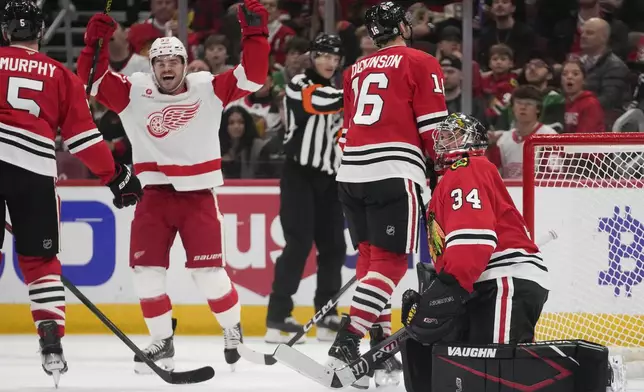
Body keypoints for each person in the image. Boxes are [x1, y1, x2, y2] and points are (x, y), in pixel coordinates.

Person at [76, 0, 269, 372]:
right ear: (151, 68)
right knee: (145, 274)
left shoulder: (207, 88)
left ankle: (232, 329)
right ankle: (162, 342)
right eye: (160, 63)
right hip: (154, 197)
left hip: (198, 197)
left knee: (209, 277)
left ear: (185, 65)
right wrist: (92, 45)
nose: (167, 68)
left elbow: (254, 76)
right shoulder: (135, 94)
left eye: (174, 62)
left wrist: (255, 34)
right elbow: (94, 82)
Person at [0, 0, 142, 386]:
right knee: (40, 260)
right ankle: (50, 340)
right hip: (34, 173)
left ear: (5, 31)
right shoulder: (60, 75)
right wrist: (116, 177)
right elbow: (83, 139)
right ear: (41, 32)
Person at [328, 1, 449, 388]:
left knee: (370, 262)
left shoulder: (353, 70)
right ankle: (348, 341)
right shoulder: (421, 61)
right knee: (391, 265)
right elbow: (434, 130)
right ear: (401, 26)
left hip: (350, 172)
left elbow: (346, 131)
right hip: (394, 170)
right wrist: (448, 170)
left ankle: (376, 355)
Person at [399, 113, 549, 392]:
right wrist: (442, 291)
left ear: (474, 141)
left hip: (502, 280)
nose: (442, 142)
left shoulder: (468, 168)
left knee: (496, 379)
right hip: (479, 284)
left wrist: (446, 290)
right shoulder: (447, 183)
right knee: (467, 380)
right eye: (441, 136)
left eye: (452, 135)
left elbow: (473, 241)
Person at [265, 33, 346, 344]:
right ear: (313, 56)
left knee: (334, 247)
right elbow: (318, 103)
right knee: (298, 244)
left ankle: (327, 313)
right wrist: (357, 91)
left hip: (330, 179)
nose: (329, 62)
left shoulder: (339, 92)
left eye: (335, 57)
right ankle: (277, 316)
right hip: (299, 174)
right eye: (324, 55)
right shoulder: (299, 83)